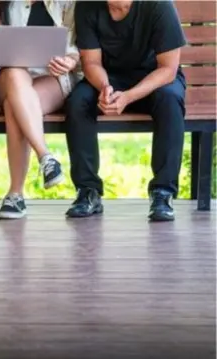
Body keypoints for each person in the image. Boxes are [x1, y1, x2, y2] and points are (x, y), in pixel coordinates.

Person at [66, 0, 186, 222]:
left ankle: (163, 193)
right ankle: (87, 191)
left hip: (155, 78)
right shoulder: (87, 5)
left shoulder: (158, 5)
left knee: (170, 100)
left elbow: (168, 69)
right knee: (78, 101)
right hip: (109, 77)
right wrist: (105, 88)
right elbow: (91, 62)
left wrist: (129, 96)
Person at [0, 0, 79, 220]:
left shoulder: (68, 3)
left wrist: (70, 61)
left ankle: (15, 194)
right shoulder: (5, 3)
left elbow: (80, 47)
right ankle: (45, 155)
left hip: (52, 77)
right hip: (9, 75)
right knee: (16, 78)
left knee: (15, 104)